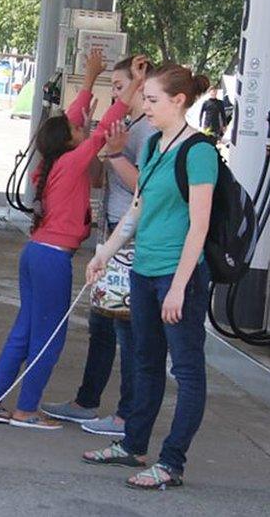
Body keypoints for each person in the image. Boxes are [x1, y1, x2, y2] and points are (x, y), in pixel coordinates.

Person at [0, 52, 145, 430]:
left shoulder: (48, 166)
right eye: (77, 130)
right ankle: (26, 408)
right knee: (49, 336)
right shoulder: (71, 162)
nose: (82, 127)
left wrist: (89, 81)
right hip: (53, 258)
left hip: (35, 253)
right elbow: (104, 130)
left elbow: (73, 124)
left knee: (25, 330)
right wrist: (131, 89)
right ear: (70, 141)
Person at [82, 64, 216, 490]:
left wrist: (179, 286)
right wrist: (104, 252)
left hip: (178, 278)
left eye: (154, 100)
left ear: (179, 101)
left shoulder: (199, 152)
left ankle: (172, 461)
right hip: (143, 271)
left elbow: (199, 225)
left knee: (188, 371)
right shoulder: (156, 144)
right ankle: (133, 444)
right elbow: (137, 210)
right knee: (144, 361)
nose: (147, 107)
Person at [41, 55, 157, 437]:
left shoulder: (147, 132)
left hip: (133, 238)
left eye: (122, 88)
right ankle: (87, 401)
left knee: (128, 330)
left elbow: (148, 186)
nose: (117, 97)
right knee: (102, 324)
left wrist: (111, 153)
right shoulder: (125, 126)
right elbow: (78, 146)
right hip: (112, 234)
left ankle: (127, 415)